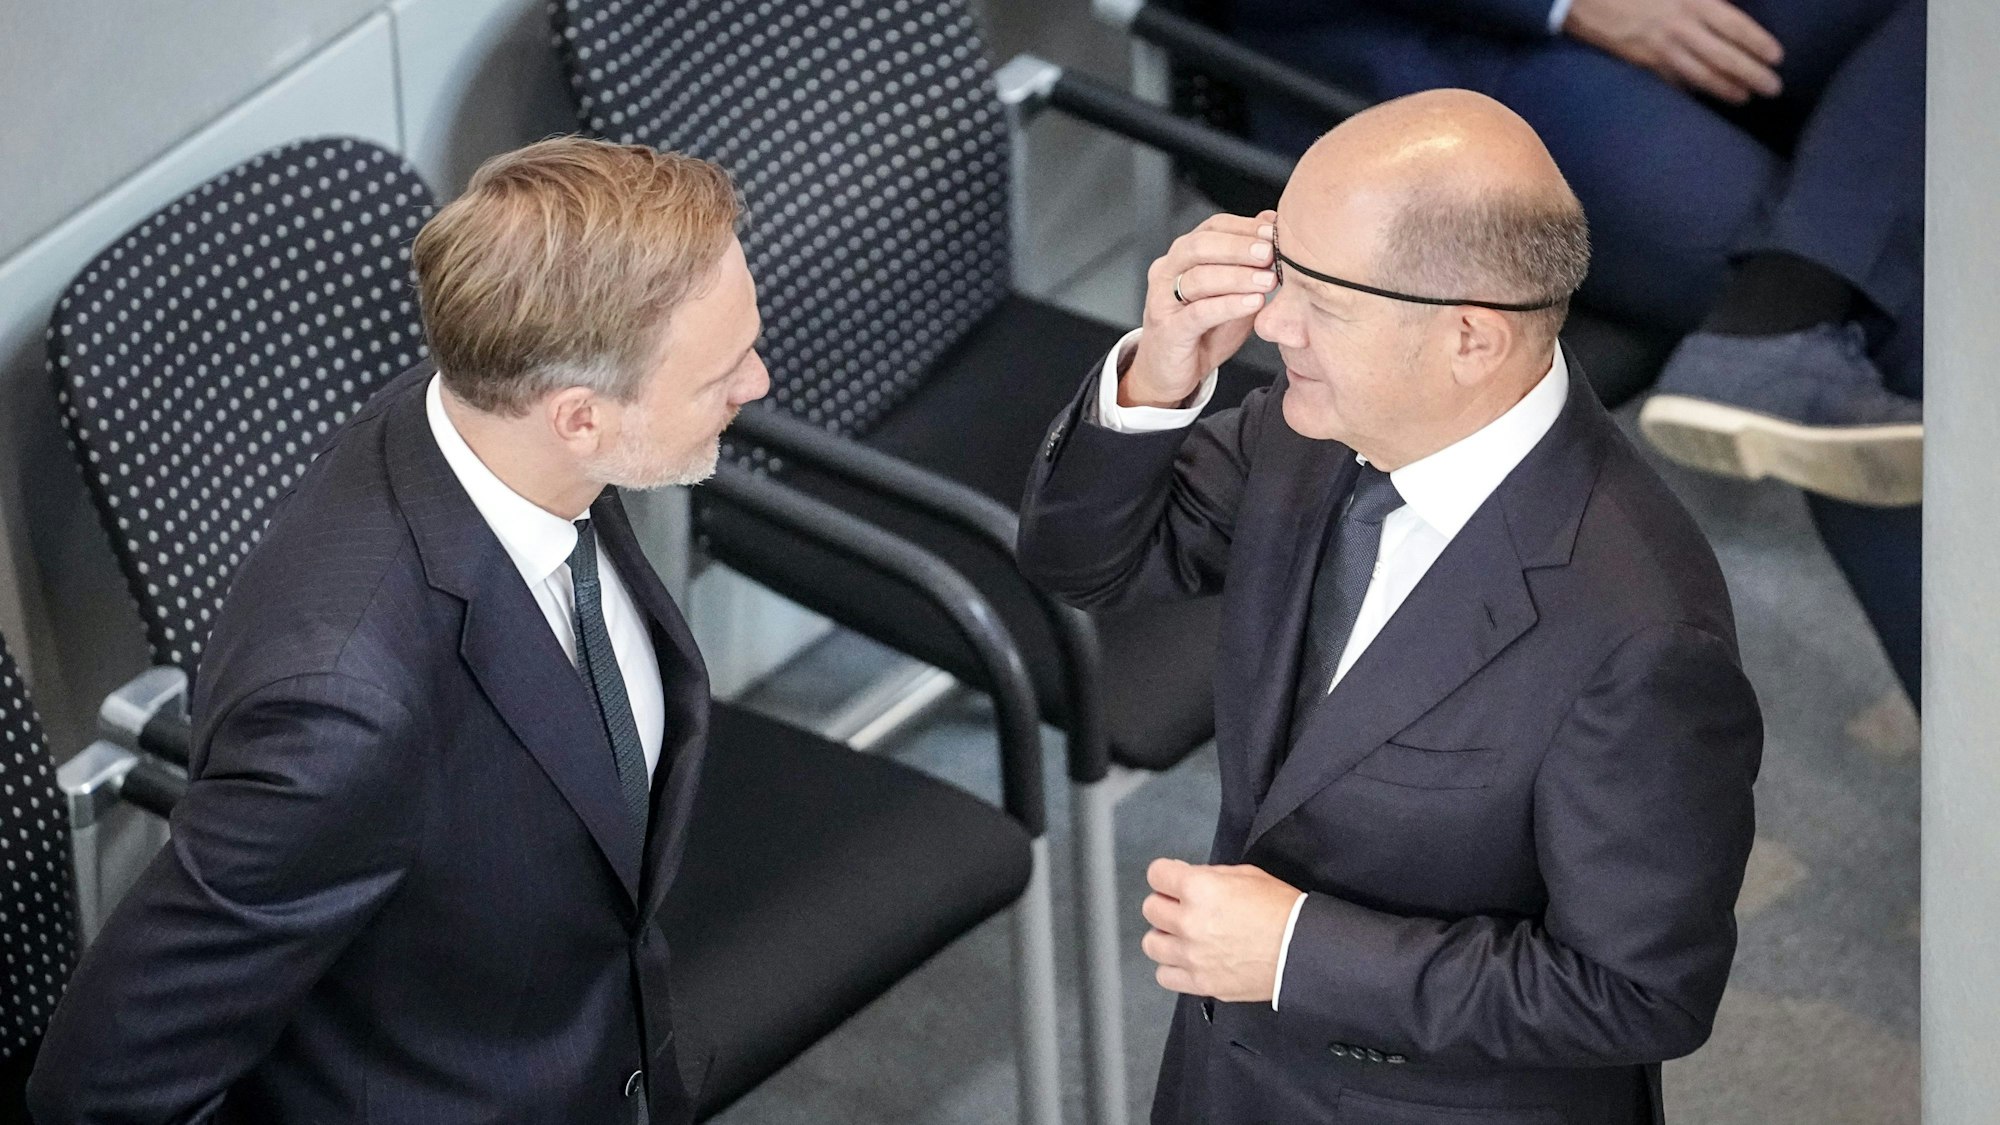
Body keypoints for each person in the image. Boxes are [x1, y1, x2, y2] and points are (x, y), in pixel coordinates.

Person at [1018, 90, 1763, 1124]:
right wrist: (1157, 370)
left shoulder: (1639, 633)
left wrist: (1293, 951)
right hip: (1227, 1073)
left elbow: (1639, 994)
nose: (1268, 328)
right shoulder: (1306, 430)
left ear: (1468, 339)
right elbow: (1084, 568)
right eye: (1280, 274)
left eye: (1319, 304)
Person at [28, 137, 770, 1124]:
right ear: (579, 418)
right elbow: (102, 1090)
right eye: (722, 371)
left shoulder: (500, 426)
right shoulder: (340, 711)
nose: (755, 382)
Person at [1224, 0, 1926, 700]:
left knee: (1952, 49)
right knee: (1890, 285)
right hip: (1412, 41)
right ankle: (1976, 755)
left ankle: (1786, 311)